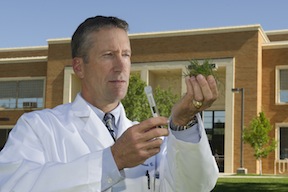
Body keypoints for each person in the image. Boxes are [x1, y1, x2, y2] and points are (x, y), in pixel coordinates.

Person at [0, 15, 219, 192]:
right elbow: (12, 185)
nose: (121, 65)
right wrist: (113, 159)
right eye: (108, 55)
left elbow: (194, 187)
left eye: (126, 55)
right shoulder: (39, 127)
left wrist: (183, 123)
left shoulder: (148, 136)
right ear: (79, 67)